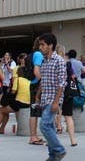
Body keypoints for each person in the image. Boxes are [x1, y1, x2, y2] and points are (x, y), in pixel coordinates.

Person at [36, 32, 67, 161]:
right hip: (45, 98)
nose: (40, 47)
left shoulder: (59, 61)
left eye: (42, 45)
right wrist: (38, 95)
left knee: (44, 125)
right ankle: (53, 156)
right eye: (40, 45)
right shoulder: (44, 61)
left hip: (54, 99)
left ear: (50, 45)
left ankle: (60, 150)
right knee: (50, 127)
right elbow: (44, 81)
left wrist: (56, 102)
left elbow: (62, 83)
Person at [0, 53, 31, 136]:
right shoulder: (28, 81)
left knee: (1, 110)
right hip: (26, 101)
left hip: (18, 99)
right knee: (6, 110)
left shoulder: (17, 78)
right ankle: (1, 129)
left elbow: (13, 91)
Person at [29, 38, 45, 145]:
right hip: (36, 85)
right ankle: (33, 137)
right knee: (35, 112)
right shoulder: (39, 54)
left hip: (30, 84)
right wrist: (43, 81)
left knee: (33, 111)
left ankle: (33, 136)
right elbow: (36, 71)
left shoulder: (32, 54)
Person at [62, 58, 78, 146]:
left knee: (52, 116)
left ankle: (50, 141)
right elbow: (73, 76)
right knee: (68, 116)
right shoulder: (68, 63)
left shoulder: (54, 62)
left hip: (56, 91)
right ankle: (73, 140)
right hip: (68, 92)